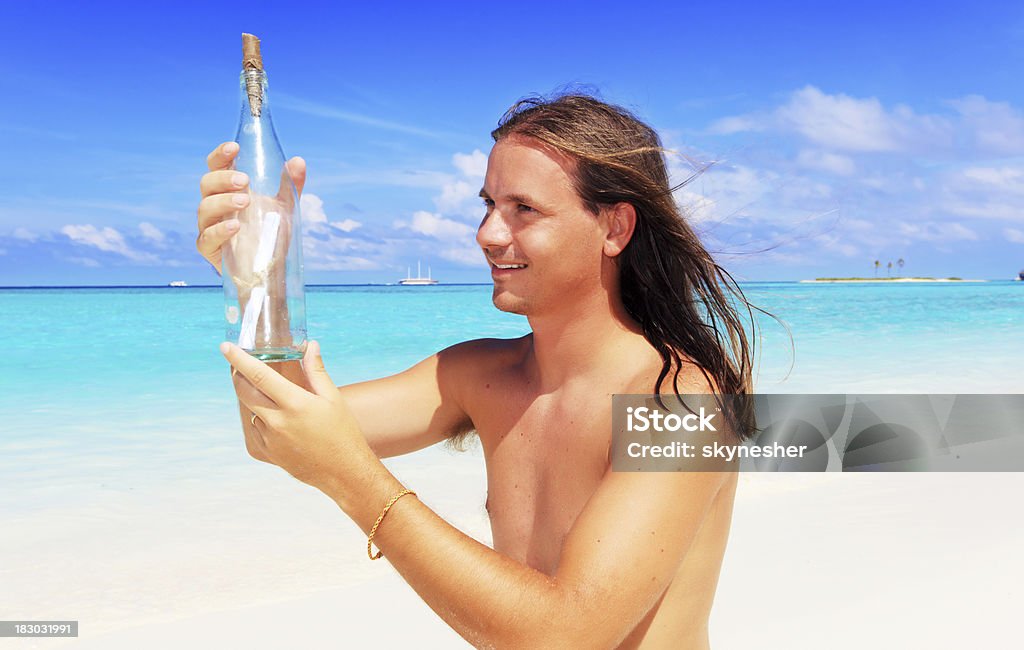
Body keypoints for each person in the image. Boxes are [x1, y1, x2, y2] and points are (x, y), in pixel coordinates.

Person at [196, 93, 755, 649]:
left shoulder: (684, 403)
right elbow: (273, 432)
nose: (487, 234)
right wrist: (261, 280)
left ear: (615, 228)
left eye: (523, 209)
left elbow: (566, 637)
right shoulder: (481, 374)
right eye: (488, 204)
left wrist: (353, 480)